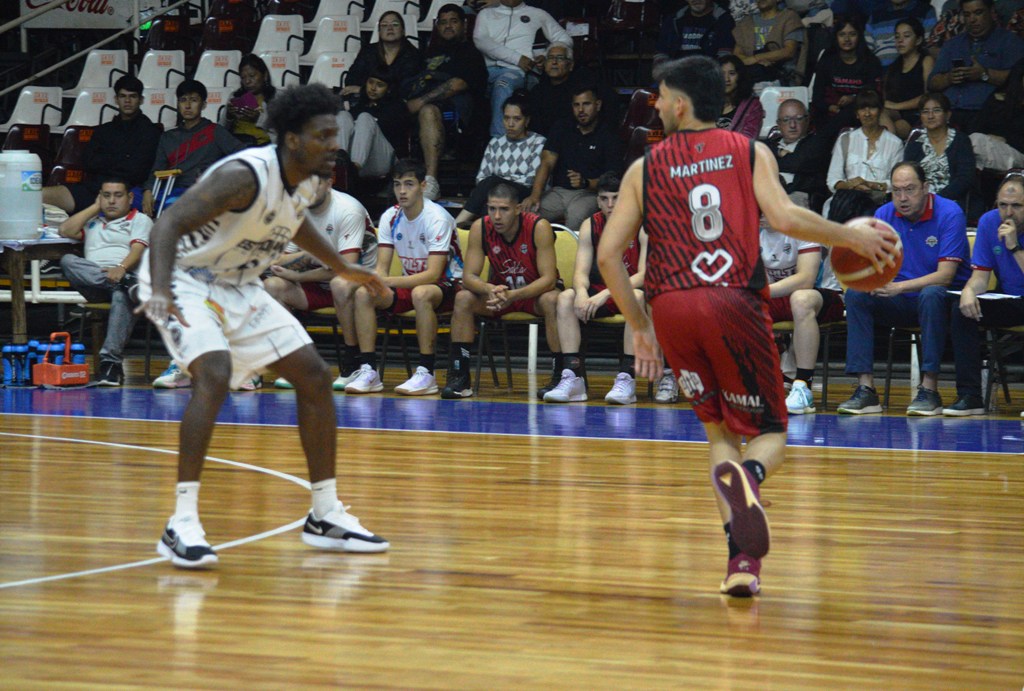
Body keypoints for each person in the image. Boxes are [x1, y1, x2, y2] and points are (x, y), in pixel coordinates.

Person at [595, 55, 896, 597]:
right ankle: (750, 483)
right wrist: (850, 238)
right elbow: (784, 218)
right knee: (771, 432)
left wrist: (640, 324)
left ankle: (741, 565)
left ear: (681, 104)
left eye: (660, 97)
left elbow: (609, 257)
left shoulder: (645, 166)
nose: (655, 106)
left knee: (718, 434)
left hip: (671, 307)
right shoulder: (748, 150)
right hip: (732, 300)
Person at [135, 83, 390, 569]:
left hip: (238, 282)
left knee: (313, 376)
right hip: (184, 278)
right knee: (212, 372)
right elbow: (167, 224)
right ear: (292, 138)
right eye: (324, 135)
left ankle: (324, 515)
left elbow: (291, 222)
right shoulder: (242, 175)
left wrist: (342, 265)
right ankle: (181, 522)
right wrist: (163, 290)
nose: (335, 143)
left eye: (336, 133)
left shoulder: (310, 179)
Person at [837, 160, 971, 415]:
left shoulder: (949, 212)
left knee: (931, 295)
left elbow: (945, 276)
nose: (902, 197)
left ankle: (929, 389)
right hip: (899, 299)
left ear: (926, 187)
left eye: (910, 189)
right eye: (896, 191)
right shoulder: (883, 215)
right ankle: (866, 390)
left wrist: (898, 287)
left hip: (941, 300)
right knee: (857, 295)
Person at [345, 159, 463, 396]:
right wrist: (376, 281)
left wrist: (387, 282)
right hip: (410, 283)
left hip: (448, 286)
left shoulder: (436, 218)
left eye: (409, 184)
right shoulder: (390, 216)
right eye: (397, 184)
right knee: (363, 293)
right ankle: (369, 370)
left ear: (423, 185)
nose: (401, 191)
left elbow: (433, 274)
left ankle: (427, 373)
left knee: (421, 293)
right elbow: (382, 268)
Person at [441, 182, 562, 399]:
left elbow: (549, 280)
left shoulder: (538, 226)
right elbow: (468, 277)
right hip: (499, 295)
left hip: (533, 295)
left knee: (553, 300)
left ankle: (561, 375)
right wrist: (489, 289)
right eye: (492, 209)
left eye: (504, 209)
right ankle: (459, 375)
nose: (497, 216)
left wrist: (513, 295)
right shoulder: (480, 227)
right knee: (463, 298)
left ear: (518, 209)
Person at [261, 177, 378, 390]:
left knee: (340, 284)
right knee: (272, 286)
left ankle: (352, 362)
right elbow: (279, 262)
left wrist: (298, 276)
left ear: (330, 182)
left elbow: (347, 269)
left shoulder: (348, 209)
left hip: (359, 284)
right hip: (319, 280)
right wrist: (307, 255)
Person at [544, 173, 648, 404]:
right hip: (599, 292)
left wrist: (605, 294)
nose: (610, 205)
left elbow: (643, 275)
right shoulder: (590, 225)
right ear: (598, 201)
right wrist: (581, 293)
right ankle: (573, 377)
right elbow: (580, 272)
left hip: (624, 292)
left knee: (638, 297)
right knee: (566, 298)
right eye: (604, 199)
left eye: (616, 198)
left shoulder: (642, 225)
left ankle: (626, 378)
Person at [58, 178, 153, 386]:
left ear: (129, 198)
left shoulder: (141, 220)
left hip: (125, 275)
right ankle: (128, 284)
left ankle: (110, 366)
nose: (111, 201)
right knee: (68, 261)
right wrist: (94, 207)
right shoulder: (92, 223)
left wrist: (122, 269)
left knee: (121, 294)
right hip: (96, 283)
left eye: (118, 196)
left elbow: (138, 249)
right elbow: (65, 230)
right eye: (106, 195)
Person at [944, 174, 1024, 415]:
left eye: (1017, 206)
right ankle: (970, 396)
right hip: (1010, 298)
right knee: (963, 309)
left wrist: (1014, 246)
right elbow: (980, 276)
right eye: (1003, 205)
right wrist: (968, 292)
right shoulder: (989, 223)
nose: (1008, 213)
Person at [758, 218, 846, 414]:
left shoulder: (803, 226)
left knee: (801, 299)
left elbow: (806, 279)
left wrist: (760, 291)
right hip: (778, 295)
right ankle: (750, 381)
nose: (760, 213)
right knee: (734, 303)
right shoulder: (751, 232)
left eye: (763, 206)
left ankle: (802, 386)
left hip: (822, 296)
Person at [42, 75, 160, 214]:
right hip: (94, 189)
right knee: (38, 195)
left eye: (132, 96)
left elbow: (138, 172)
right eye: (123, 96)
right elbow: (88, 163)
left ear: (141, 100)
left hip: (126, 193)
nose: (127, 101)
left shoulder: (150, 131)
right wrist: (123, 158)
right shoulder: (103, 130)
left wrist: (106, 161)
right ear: (116, 99)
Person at [405, 4, 488, 199]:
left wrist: (421, 101)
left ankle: (431, 181)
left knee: (427, 110)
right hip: (419, 108)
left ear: (463, 24)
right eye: (443, 22)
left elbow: (458, 84)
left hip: (455, 114)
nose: (448, 26)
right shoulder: (426, 54)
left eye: (453, 21)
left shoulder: (470, 53)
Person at [525, 86, 624, 233]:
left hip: (590, 194)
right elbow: (547, 162)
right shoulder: (562, 127)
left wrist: (586, 182)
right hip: (558, 192)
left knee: (576, 216)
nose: (581, 110)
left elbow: (611, 180)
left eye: (586, 104)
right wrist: (534, 195)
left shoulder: (609, 134)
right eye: (576, 105)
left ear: (597, 105)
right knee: (527, 214)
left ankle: (570, 256)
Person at [141, 79, 244, 217]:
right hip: (171, 191)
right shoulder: (168, 137)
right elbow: (157, 169)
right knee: (128, 199)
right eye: (183, 100)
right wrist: (148, 190)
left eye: (194, 100)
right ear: (178, 104)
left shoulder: (215, 131)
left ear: (204, 104)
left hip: (203, 191)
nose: (188, 105)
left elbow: (242, 154)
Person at [472, 0, 570, 137]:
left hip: (514, 72)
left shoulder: (537, 14)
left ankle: (500, 141)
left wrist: (545, 55)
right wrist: (517, 58)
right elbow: (481, 40)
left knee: (503, 84)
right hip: (485, 71)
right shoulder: (486, 14)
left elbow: (565, 39)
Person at [928, 0, 1024, 132]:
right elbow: (932, 83)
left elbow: (1018, 82)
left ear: (991, 12)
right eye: (967, 14)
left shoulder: (1010, 42)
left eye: (978, 13)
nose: (972, 19)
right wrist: (949, 78)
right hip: (949, 112)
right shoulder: (953, 44)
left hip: (986, 114)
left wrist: (984, 74)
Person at [454, 94, 545, 228]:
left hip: (522, 193)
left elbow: (531, 179)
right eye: (506, 118)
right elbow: (481, 178)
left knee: (492, 183)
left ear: (527, 121)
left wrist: (500, 180)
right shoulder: (496, 142)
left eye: (517, 119)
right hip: (495, 193)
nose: (510, 124)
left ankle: (455, 226)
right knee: (489, 205)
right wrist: (498, 183)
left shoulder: (538, 142)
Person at [823, 88, 904, 220]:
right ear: (857, 114)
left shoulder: (895, 143)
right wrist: (852, 185)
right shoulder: (846, 139)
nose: (867, 114)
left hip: (878, 202)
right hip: (846, 201)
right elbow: (833, 180)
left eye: (872, 108)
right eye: (862, 109)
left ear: (880, 111)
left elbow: (895, 183)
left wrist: (869, 184)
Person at [811, 15, 883, 142]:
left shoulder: (871, 62)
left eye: (852, 34)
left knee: (851, 110)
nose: (847, 39)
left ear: (859, 36)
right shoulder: (827, 61)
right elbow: (817, 97)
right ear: (836, 37)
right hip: (829, 112)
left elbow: (874, 96)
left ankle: (819, 142)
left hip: (860, 113)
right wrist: (830, 107)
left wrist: (853, 99)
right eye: (842, 34)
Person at [902, 92, 977, 212]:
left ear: (947, 115)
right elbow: (907, 175)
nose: (930, 116)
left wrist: (937, 200)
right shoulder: (915, 143)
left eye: (936, 110)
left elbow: (965, 178)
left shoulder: (961, 140)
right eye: (925, 112)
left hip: (951, 202)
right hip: (918, 203)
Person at [336, 67, 412, 179]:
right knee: (343, 115)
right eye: (370, 82)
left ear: (389, 89)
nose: (373, 88)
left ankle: (352, 171)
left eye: (380, 85)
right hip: (359, 160)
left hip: (385, 160)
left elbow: (397, 141)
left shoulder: (397, 107)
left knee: (365, 118)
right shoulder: (360, 104)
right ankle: (339, 165)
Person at [526, 42, 609, 138]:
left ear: (571, 65)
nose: (554, 62)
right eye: (550, 58)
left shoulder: (581, 90)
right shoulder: (537, 91)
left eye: (560, 58)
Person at [343, 10, 424, 101]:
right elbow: (351, 79)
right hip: (366, 101)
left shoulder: (414, 55)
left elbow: (406, 88)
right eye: (384, 25)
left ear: (403, 31)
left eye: (395, 24)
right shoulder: (368, 50)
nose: (389, 28)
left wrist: (362, 90)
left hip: (398, 105)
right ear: (379, 32)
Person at [769, 99, 830, 210]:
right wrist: (779, 152)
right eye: (786, 119)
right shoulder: (770, 145)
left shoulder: (816, 143)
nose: (792, 125)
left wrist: (768, 161)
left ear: (807, 120)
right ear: (778, 124)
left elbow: (797, 164)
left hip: (798, 200)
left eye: (798, 119)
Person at [882, 17, 934, 139]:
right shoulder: (893, 67)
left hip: (918, 114)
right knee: (877, 112)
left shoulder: (926, 61)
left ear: (918, 40)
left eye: (906, 36)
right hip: (895, 113)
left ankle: (888, 151)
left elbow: (928, 96)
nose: (900, 41)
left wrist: (896, 106)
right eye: (897, 37)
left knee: (899, 126)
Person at [731, 0, 805, 86]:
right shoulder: (746, 23)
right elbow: (737, 54)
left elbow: (789, 51)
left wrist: (756, 58)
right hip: (750, 75)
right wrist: (757, 62)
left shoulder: (789, 17)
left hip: (781, 76)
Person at [969, 60, 1024, 172]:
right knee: (970, 143)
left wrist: (1006, 139)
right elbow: (975, 127)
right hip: (991, 150)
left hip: (1019, 155)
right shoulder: (998, 98)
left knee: (976, 141)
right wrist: (991, 138)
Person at [654, 0, 736, 65]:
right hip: (676, 74)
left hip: (709, 76)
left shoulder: (724, 20)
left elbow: (725, 56)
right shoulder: (673, 20)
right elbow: (661, 52)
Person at [222, 54, 276, 146]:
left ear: (265, 75)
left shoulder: (277, 97)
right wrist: (229, 117)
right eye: (243, 78)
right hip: (237, 146)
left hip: (264, 147)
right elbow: (222, 130)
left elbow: (284, 130)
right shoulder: (235, 96)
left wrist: (259, 118)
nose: (247, 81)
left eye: (252, 76)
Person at [863, 0, 936, 67]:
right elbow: (866, 52)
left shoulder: (925, 11)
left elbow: (930, 47)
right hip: (880, 72)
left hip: (914, 71)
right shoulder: (875, 16)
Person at [717, 55, 764, 139]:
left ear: (740, 76)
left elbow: (747, 141)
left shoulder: (752, 105)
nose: (726, 79)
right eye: (722, 74)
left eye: (732, 73)